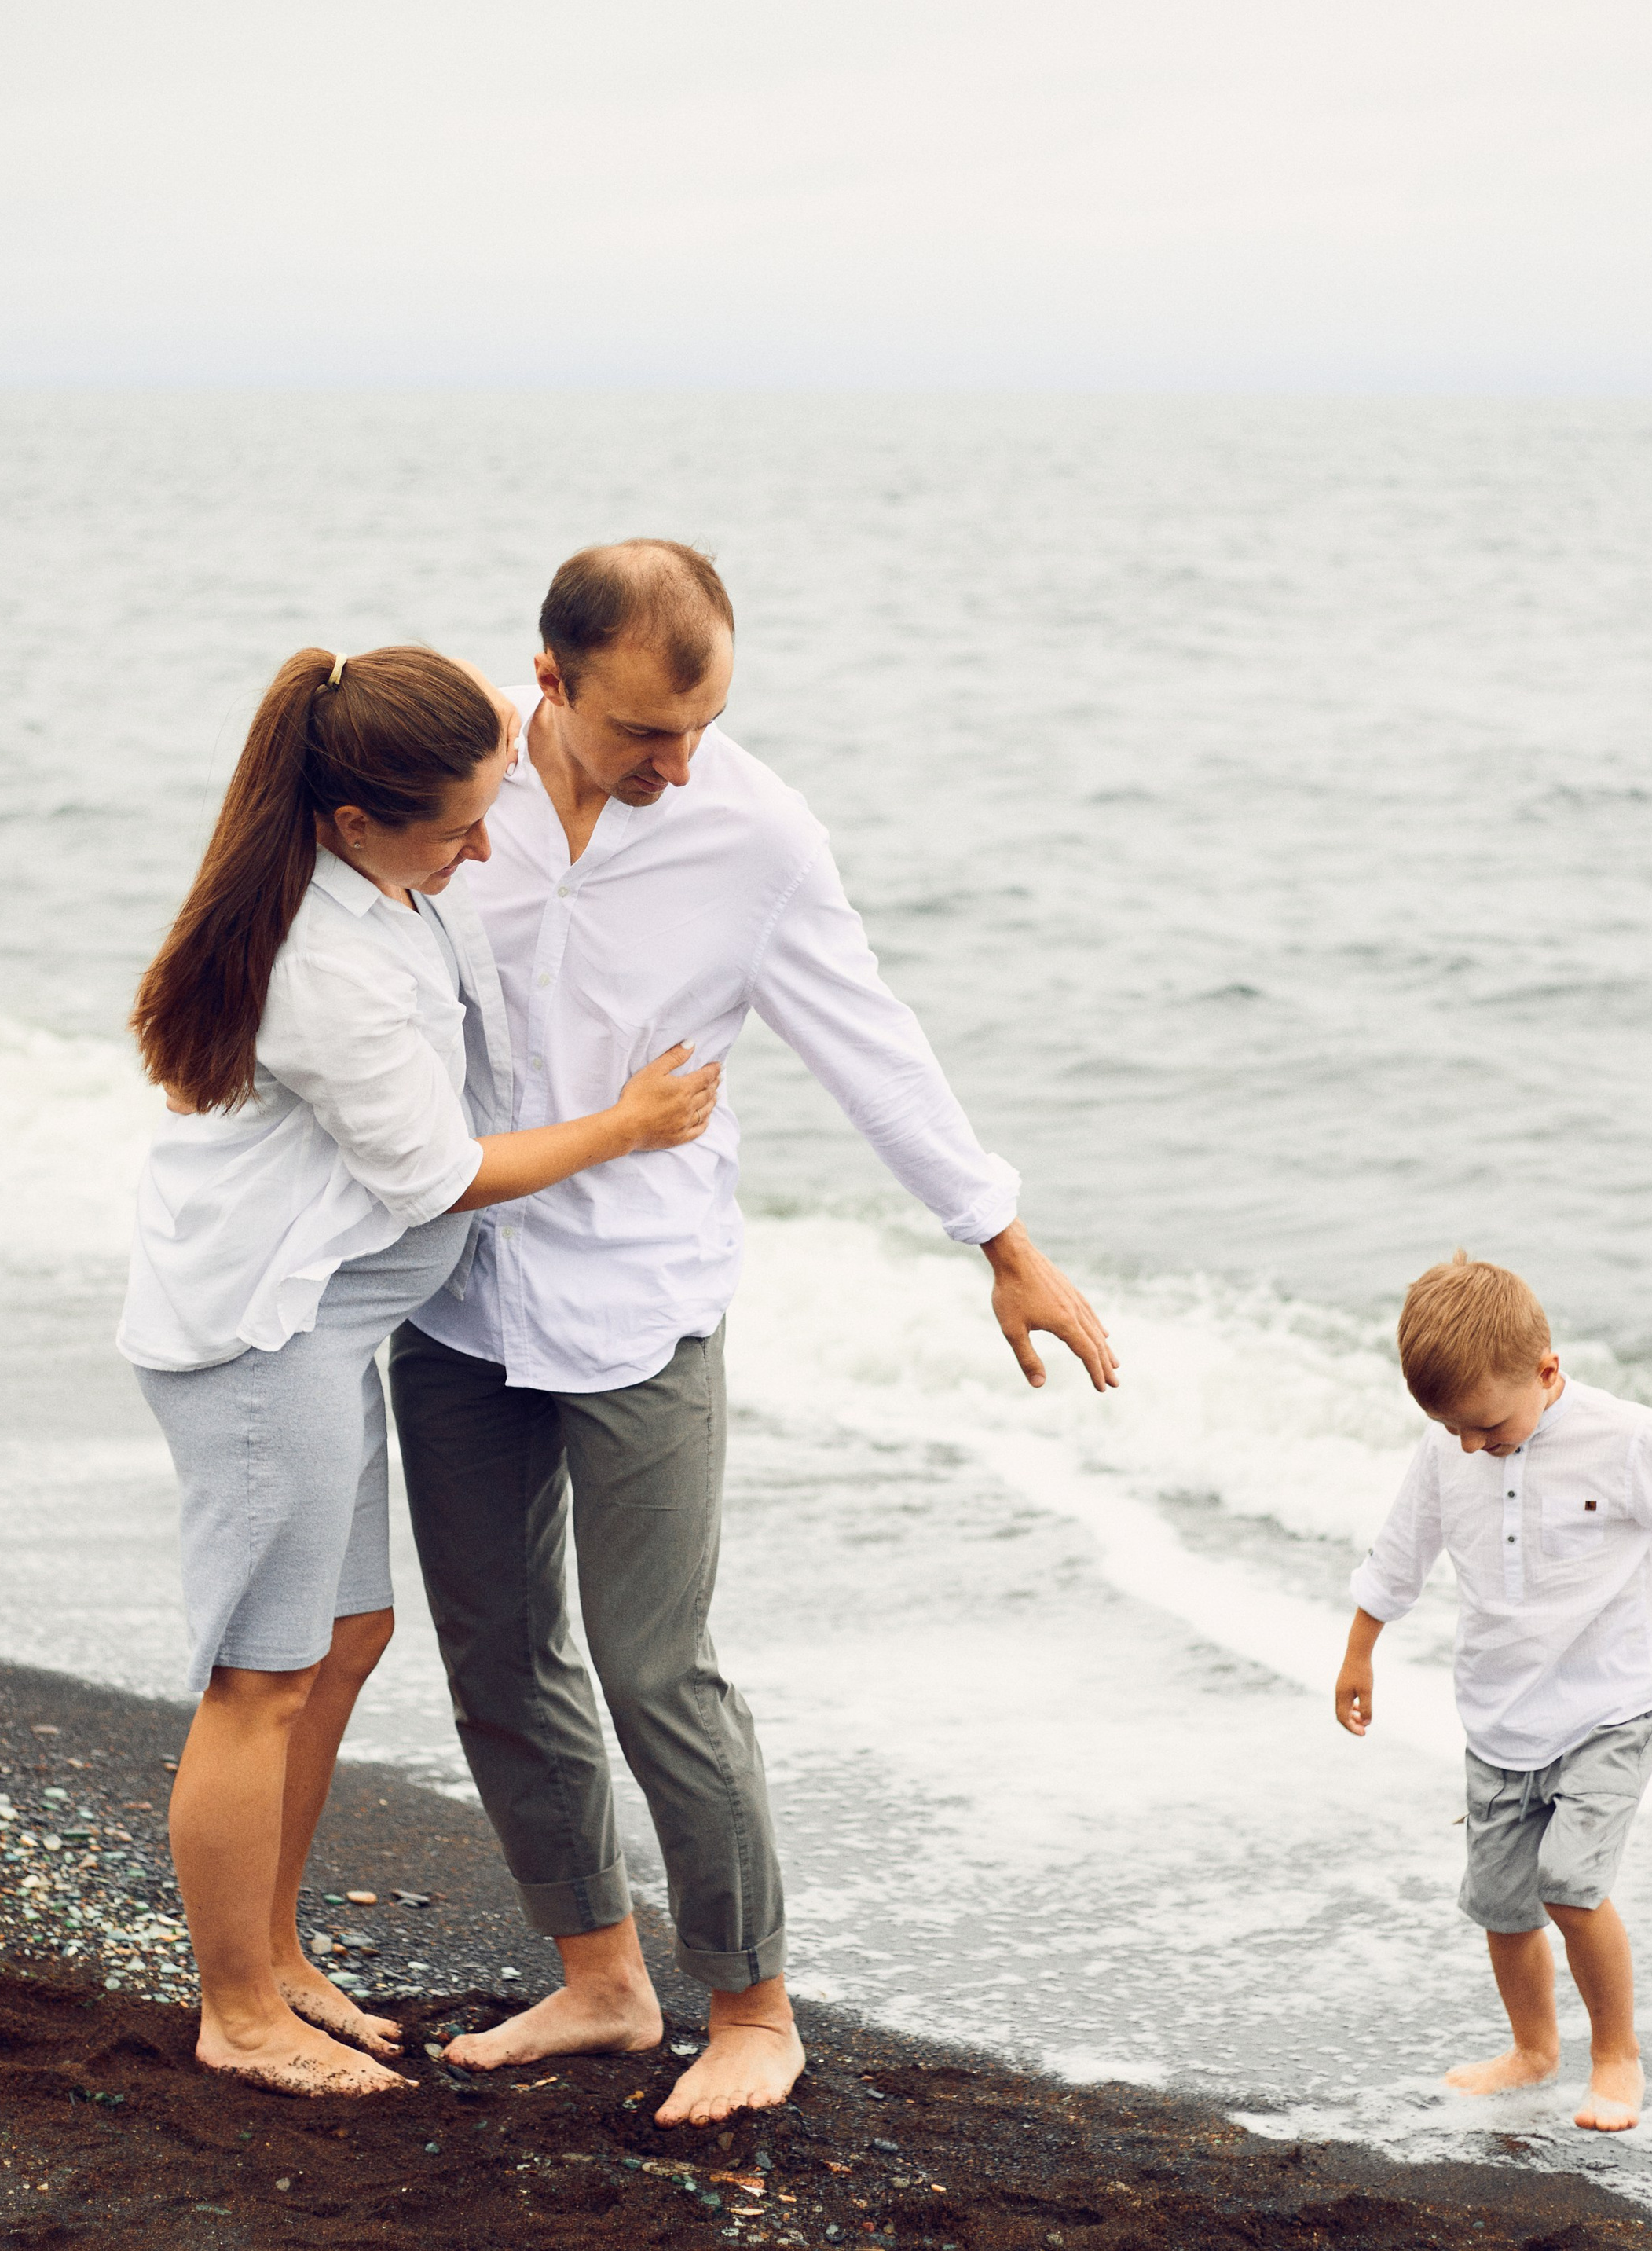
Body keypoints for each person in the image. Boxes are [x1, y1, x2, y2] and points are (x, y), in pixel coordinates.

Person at [388, 538, 1118, 2127]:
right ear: (549, 678)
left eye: (703, 724)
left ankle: (752, 2008)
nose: (678, 762)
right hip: (454, 1285)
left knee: (656, 1665)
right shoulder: (460, 779)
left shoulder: (757, 834)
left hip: (641, 1296)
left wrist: (1000, 1242)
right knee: (497, 1653)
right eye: (644, 731)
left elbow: (869, 1040)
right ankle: (599, 1980)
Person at [121, 643, 719, 2097]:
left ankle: (275, 1954)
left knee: (344, 1638)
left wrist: (572, 713)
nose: (484, 847)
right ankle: (234, 2009)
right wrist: (627, 1128)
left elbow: (512, 701)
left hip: (328, 1334)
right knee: (259, 1675)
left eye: (488, 806)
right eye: (457, 829)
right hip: (265, 1337)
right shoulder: (322, 968)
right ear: (352, 823)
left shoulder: (381, 830)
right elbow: (442, 1175)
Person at [1334, 1250, 1652, 2132]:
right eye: (1452, 1428)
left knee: (1569, 1884)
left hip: (1610, 1706)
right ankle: (1533, 2049)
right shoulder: (1448, 1447)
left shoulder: (1623, 1439)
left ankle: (1616, 2055)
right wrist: (1359, 1651)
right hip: (1499, 1714)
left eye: (1486, 1425)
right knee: (1501, 1903)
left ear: (1547, 1369)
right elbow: (1401, 1548)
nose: (1470, 1445)